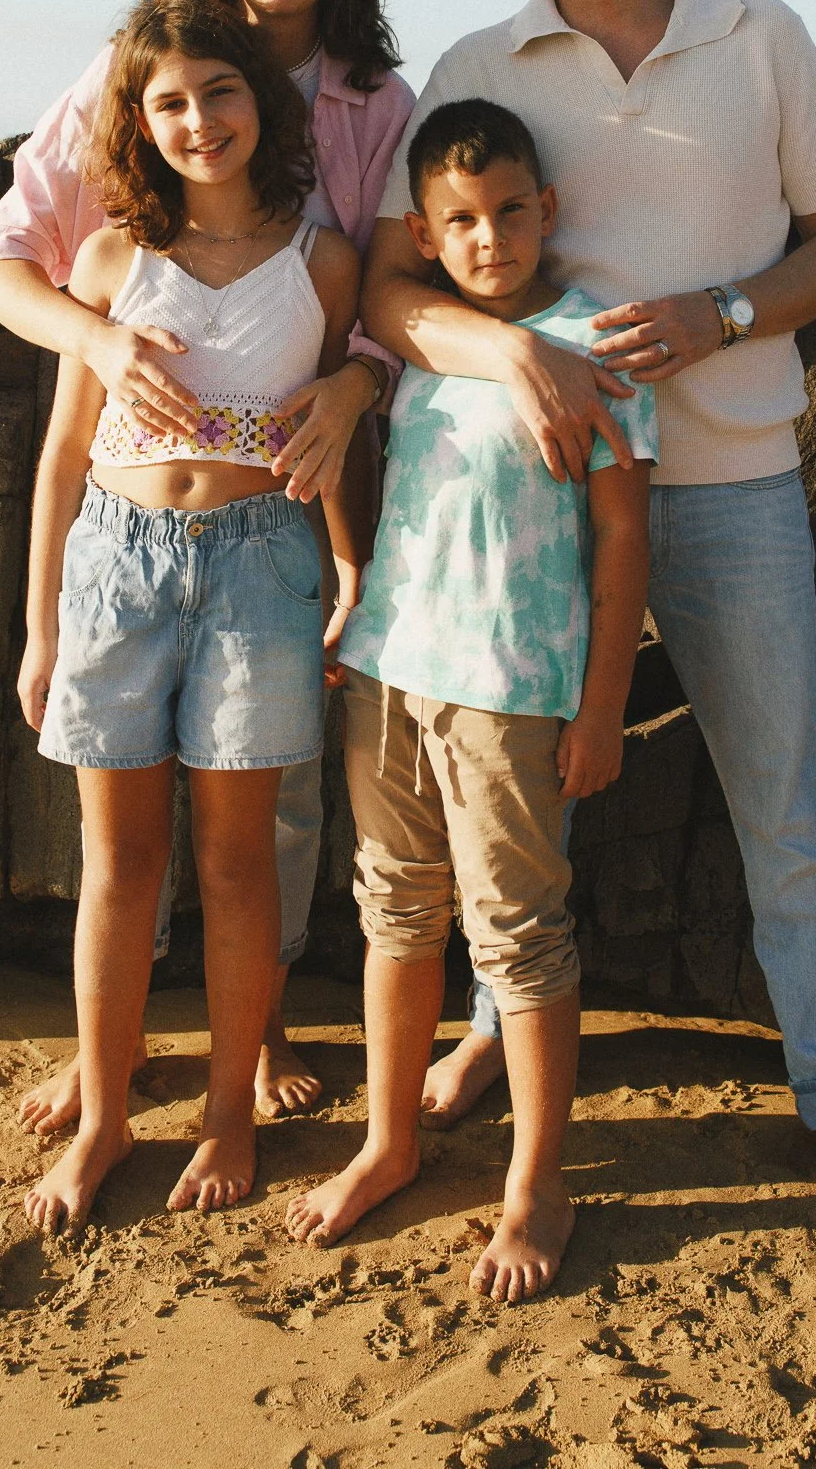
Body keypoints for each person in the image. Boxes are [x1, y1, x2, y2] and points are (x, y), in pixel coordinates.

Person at [361, 0, 816, 1248]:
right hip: (538, 510)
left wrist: (718, 315)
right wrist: (511, 358)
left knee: (784, 806)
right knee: (513, 799)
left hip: (731, 480)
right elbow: (389, 281)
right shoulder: (477, 65)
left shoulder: (761, 35)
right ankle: (494, 1020)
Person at [0, 0, 413, 1128]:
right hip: (128, 502)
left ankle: (248, 1041)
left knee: (257, 817)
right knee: (121, 835)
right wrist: (97, 339)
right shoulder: (136, 71)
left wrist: (354, 381)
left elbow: (390, 294)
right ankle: (113, 1059)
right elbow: (1, 254)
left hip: (285, 494)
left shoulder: (372, 103)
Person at [287, 100, 655, 1300]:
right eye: (460, 220)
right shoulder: (425, 339)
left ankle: (535, 1182)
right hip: (391, 665)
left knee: (519, 935)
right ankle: (389, 1140)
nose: (488, 236)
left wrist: (601, 705)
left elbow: (620, 533)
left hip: (510, 687)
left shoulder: (590, 339)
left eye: (508, 211)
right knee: (393, 909)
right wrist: (356, 600)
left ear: (546, 210)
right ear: (426, 235)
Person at [18, 0, 371, 1234]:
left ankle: (229, 1108)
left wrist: (346, 570)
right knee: (119, 862)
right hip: (114, 561)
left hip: (260, 562)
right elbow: (63, 452)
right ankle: (108, 1111)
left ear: (258, 101)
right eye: (166, 101)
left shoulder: (322, 258)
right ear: (135, 119)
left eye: (218, 91)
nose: (196, 119)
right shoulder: (111, 258)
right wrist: (39, 626)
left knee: (234, 859)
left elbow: (336, 436)